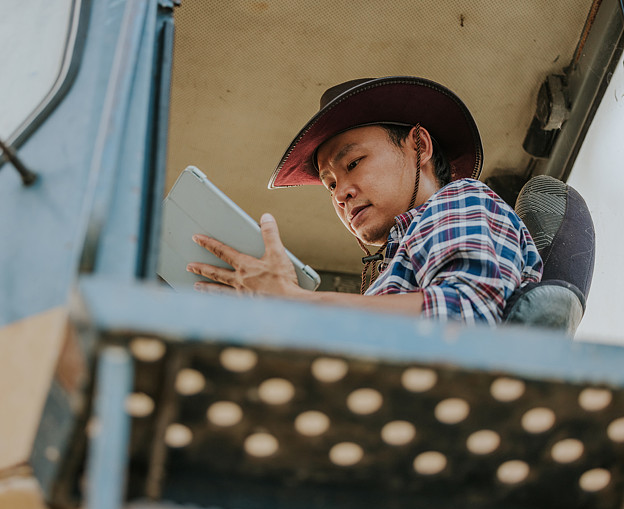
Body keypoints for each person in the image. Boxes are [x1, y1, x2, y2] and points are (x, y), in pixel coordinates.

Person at [186, 76, 542, 324]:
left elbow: (466, 316)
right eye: (329, 185)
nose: (340, 193)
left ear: (419, 145)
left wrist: (295, 303)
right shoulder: (393, 270)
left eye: (354, 163)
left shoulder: (459, 200)